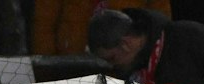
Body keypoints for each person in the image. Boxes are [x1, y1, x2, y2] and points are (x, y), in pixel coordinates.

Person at [33, 0, 166, 56]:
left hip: (127, 71)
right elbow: (43, 24)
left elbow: (159, 26)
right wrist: (47, 71)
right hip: (70, 66)